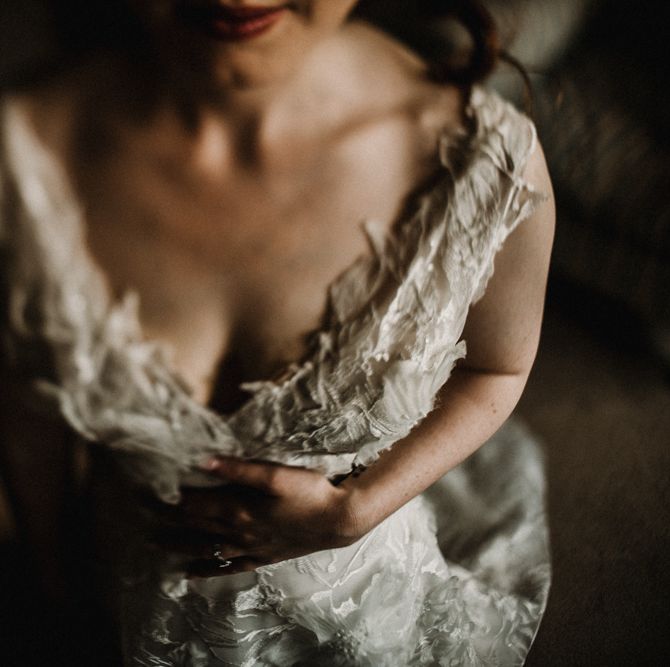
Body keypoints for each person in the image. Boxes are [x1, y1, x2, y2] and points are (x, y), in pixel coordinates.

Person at [0, 0, 555, 664]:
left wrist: (358, 508)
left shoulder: (484, 158)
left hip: (361, 595)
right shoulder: (19, 166)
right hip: (137, 582)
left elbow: (497, 368)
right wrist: (55, 578)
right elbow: (28, 411)